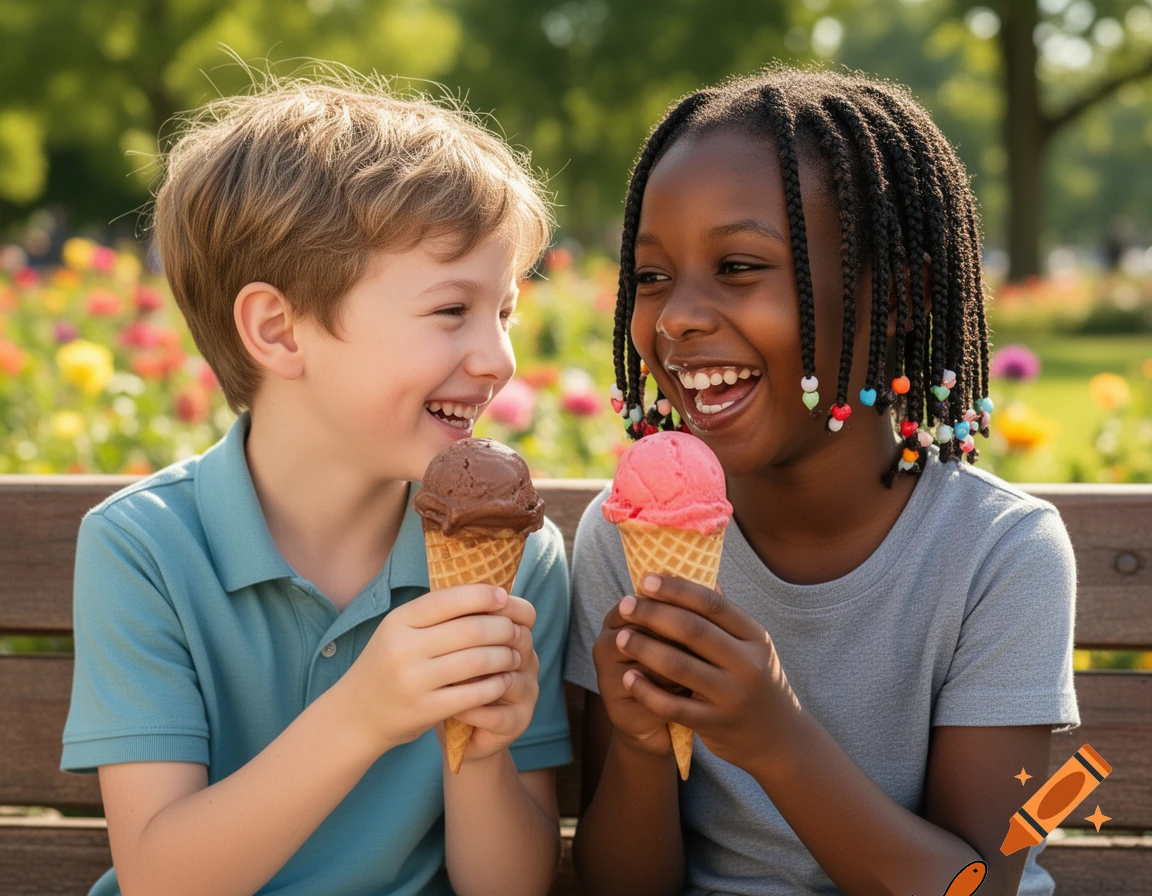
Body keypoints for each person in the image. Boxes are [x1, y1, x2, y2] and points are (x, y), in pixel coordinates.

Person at [565, 67, 1078, 896]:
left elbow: (977, 885)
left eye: (738, 265)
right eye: (652, 277)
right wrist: (639, 747)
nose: (677, 316)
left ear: (901, 298)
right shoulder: (622, 537)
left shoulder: (997, 554)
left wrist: (774, 738)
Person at [61, 75, 571, 896]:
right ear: (277, 329)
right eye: (452, 311)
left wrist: (478, 749)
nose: (498, 358)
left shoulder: (517, 554)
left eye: (504, 312)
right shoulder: (145, 548)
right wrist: (363, 713)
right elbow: (161, 879)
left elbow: (507, 887)